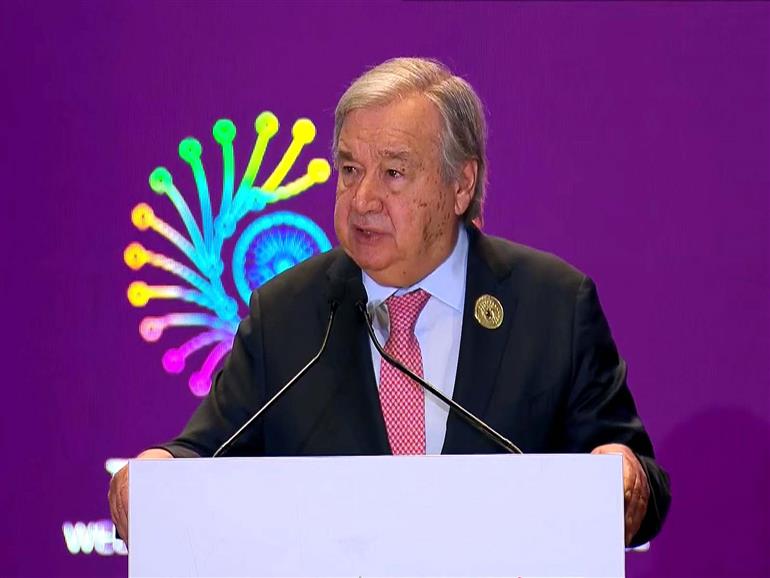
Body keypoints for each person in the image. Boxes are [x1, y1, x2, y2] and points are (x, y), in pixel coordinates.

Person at [109, 57, 670, 547]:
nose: (362, 199)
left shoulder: (551, 305)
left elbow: (635, 480)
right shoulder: (287, 315)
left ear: (460, 185)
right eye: (350, 170)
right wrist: (156, 475)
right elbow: (203, 455)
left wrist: (625, 482)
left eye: (394, 173)